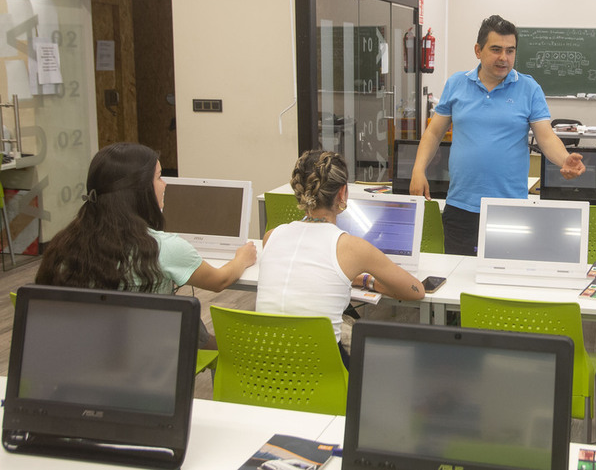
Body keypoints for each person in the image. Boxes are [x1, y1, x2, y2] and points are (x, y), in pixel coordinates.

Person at [35, 142, 257, 347]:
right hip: (151, 358)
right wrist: (242, 259)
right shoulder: (163, 247)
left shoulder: (63, 245)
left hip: (83, 351)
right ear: (140, 190)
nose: (165, 184)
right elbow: (220, 280)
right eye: (159, 177)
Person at [410, 14, 586, 255]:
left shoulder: (529, 88)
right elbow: (433, 133)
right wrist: (418, 170)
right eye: (496, 49)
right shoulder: (456, 84)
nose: (504, 58)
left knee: (507, 281)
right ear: (478, 50)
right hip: (462, 207)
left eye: (510, 50)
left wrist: (564, 160)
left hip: (510, 208)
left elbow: (545, 137)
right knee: (460, 281)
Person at [255, 150, 425, 363]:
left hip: (261, 368)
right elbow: (415, 291)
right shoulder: (352, 248)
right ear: (342, 193)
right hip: (321, 372)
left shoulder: (271, 236)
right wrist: (368, 280)